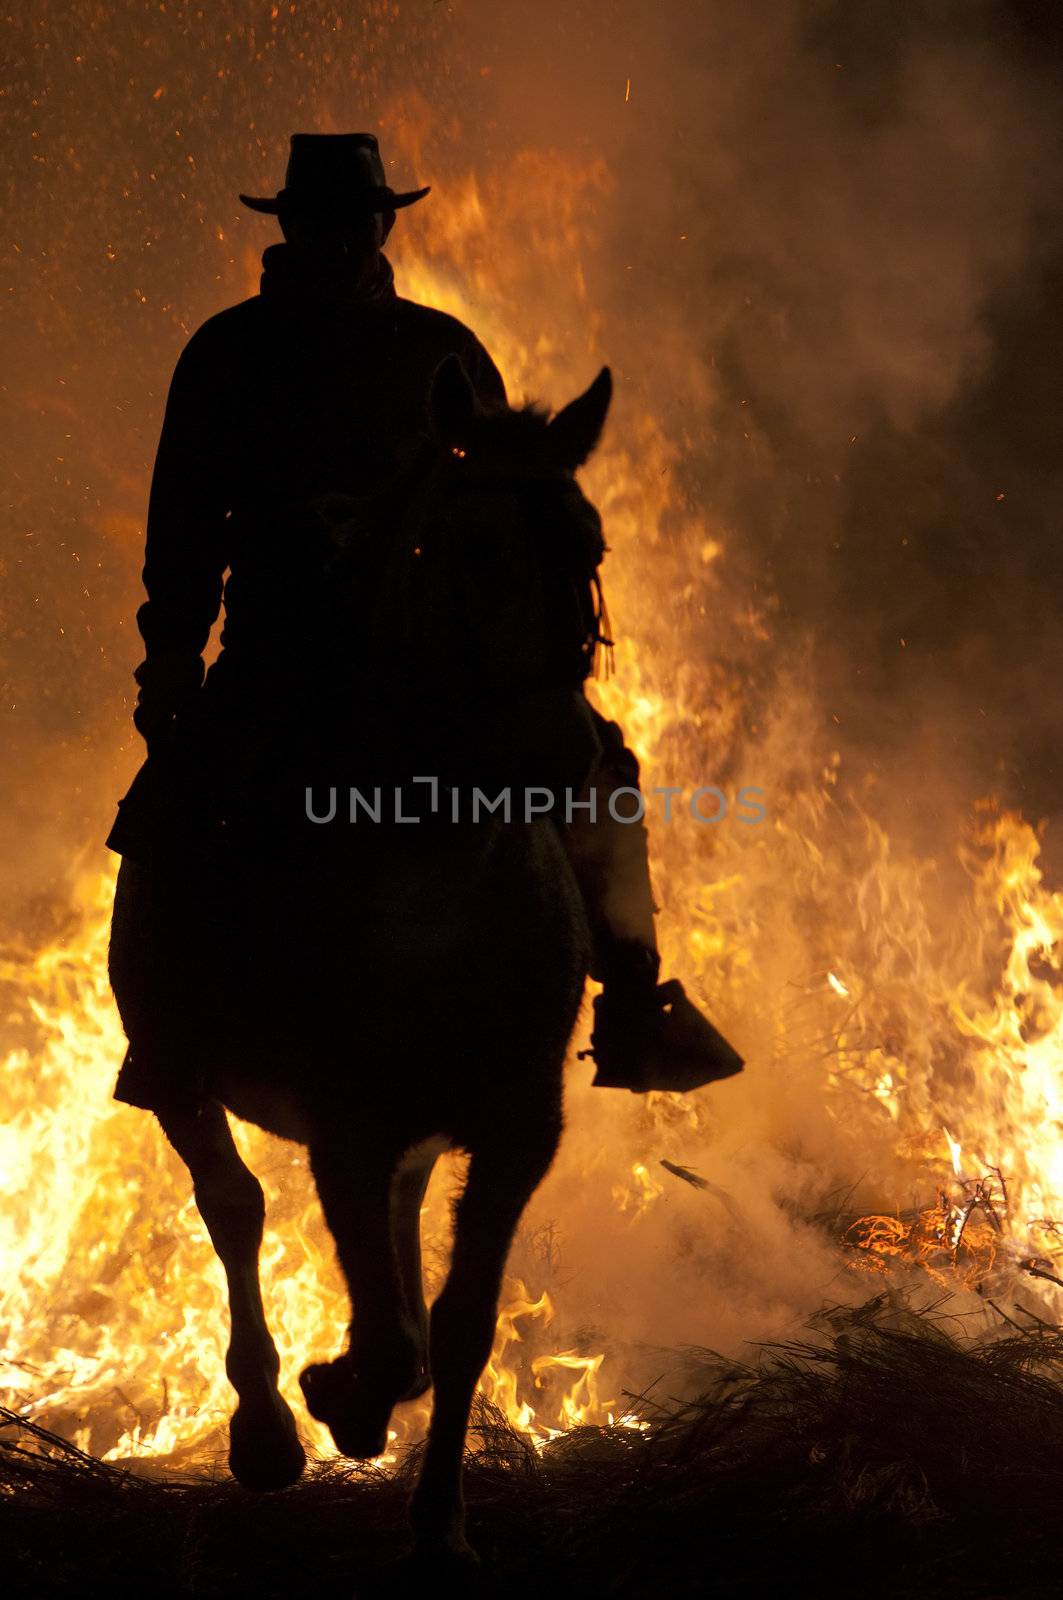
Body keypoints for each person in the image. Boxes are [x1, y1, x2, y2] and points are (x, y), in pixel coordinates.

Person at [106, 132, 742, 1098]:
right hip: (279, 656)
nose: (341, 237)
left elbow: (501, 496)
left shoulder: (441, 350)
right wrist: (169, 675)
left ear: (381, 222)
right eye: (321, 220)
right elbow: (184, 532)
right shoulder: (227, 353)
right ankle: (174, 1033)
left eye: (357, 218)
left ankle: (632, 1004)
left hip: (437, 664)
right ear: (290, 227)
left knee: (597, 770)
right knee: (184, 809)